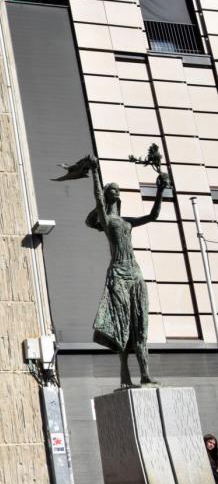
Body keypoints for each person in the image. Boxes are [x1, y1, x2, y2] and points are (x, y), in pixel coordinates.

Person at [85, 155, 169, 387]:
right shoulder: (106, 220)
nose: (116, 190)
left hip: (135, 274)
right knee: (122, 326)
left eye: (117, 189)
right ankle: (125, 377)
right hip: (118, 275)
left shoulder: (127, 221)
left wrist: (160, 189)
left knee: (140, 325)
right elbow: (98, 202)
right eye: (111, 188)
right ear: (106, 193)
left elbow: (153, 216)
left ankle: (145, 374)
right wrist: (94, 172)